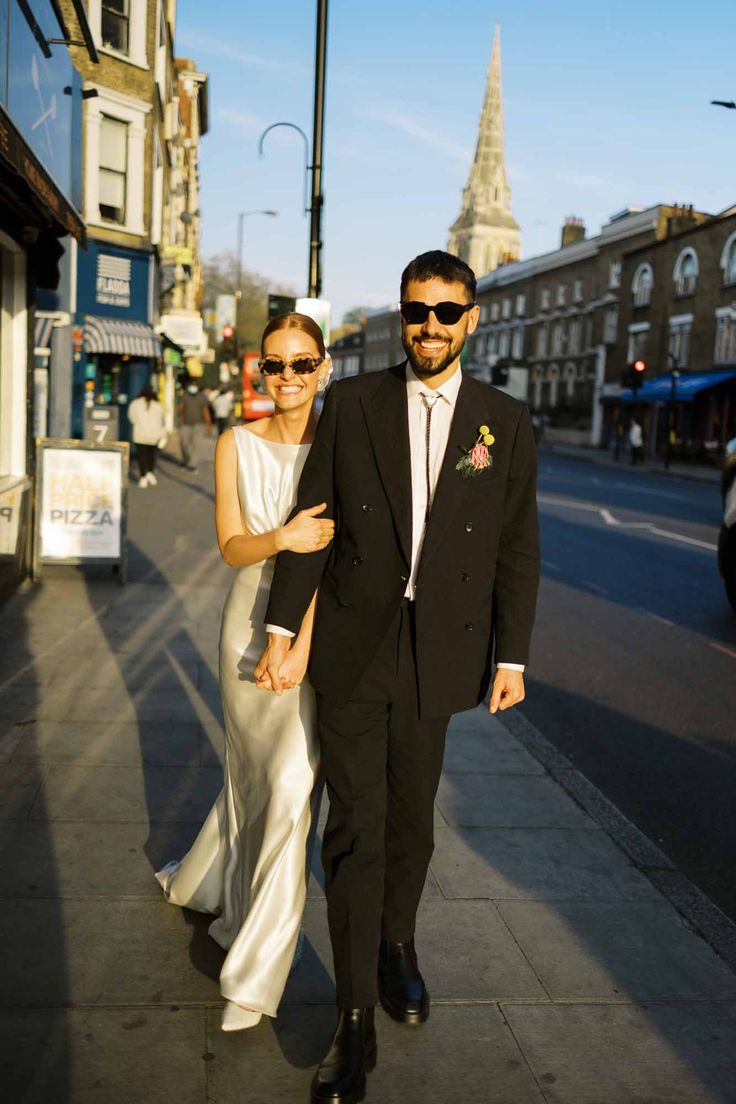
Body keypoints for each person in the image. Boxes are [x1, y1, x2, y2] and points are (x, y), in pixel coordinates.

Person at [257, 250, 540, 1104]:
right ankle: (351, 1021)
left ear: (472, 318)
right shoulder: (352, 402)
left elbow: (516, 548)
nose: (429, 327)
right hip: (354, 642)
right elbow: (313, 522)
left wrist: (513, 655)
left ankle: (397, 947)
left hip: (442, 650)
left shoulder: (505, 421)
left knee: (411, 821)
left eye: (446, 312)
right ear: (403, 313)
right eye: (417, 311)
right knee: (353, 828)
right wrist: (282, 629)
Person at [156, 314, 334, 1031]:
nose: (287, 377)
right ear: (259, 371)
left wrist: (298, 645)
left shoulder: (344, 446)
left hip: (316, 631)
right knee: (252, 776)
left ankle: (255, 978)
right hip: (243, 620)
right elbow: (232, 547)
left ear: (325, 366)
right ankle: (217, 881)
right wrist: (282, 536)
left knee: (293, 783)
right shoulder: (235, 442)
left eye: (302, 363)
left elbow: (339, 560)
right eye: (275, 365)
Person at [128, 383, 166, 488]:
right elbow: (162, 421)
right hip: (154, 435)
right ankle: (150, 472)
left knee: (142, 456)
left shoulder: (135, 404)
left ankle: (143, 476)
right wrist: (163, 435)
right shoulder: (158, 406)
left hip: (140, 435)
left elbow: (132, 417)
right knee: (151, 455)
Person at [177, 380, 212, 473]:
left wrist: (209, 425)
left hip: (199, 424)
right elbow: (180, 408)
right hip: (186, 424)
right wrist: (180, 418)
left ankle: (193, 465)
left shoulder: (201, 397)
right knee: (184, 444)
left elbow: (205, 411)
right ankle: (186, 460)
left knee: (196, 444)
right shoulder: (184, 396)